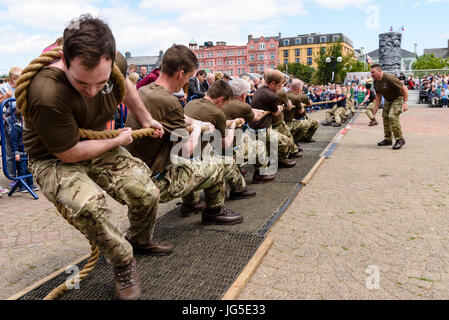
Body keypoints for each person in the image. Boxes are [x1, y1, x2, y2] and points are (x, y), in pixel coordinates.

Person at [22, 14, 170, 300]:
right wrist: (118, 139)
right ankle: (123, 261)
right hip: (53, 157)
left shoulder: (114, 64)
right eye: (81, 83)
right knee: (89, 206)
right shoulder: (46, 92)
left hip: (99, 143)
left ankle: (139, 239)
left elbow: (123, 83)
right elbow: (68, 153)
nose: (91, 91)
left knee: (146, 192)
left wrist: (146, 118)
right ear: (65, 61)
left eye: (98, 83)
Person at [125, 44, 246, 225]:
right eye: (189, 77)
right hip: (155, 179)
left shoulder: (145, 90)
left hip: (135, 171)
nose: (186, 83)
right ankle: (214, 211)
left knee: (194, 162)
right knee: (216, 165)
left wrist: (194, 122)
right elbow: (186, 150)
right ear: (180, 74)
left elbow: (176, 116)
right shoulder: (169, 101)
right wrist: (197, 129)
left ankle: (190, 205)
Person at [183, 80, 256, 200]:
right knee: (226, 162)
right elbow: (226, 144)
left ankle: (190, 204)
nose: (225, 107)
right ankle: (222, 204)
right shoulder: (217, 113)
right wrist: (232, 126)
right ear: (220, 100)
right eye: (225, 103)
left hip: (183, 156)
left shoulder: (191, 103)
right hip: (197, 161)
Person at [249, 69, 297, 170]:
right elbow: (276, 113)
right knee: (286, 142)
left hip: (255, 127)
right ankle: (281, 160)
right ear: (272, 83)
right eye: (279, 85)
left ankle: (273, 159)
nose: (280, 88)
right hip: (261, 130)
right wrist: (279, 108)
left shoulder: (261, 90)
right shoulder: (271, 95)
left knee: (274, 143)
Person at [370, 64, 408, 150]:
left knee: (392, 116)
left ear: (379, 71)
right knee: (385, 117)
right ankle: (388, 139)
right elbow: (378, 95)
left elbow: (404, 89)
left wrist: (405, 103)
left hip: (398, 98)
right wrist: (376, 106)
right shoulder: (376, 82)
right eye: (371, 72)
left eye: (373, 72)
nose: (371, 74)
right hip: (388, 100)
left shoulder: (389, 78)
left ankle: (400, 139)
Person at [0, 66, 23, 185]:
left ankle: (23, 174)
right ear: (13, 79)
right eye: (20, 78)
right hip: (7, 126)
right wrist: (5, 98)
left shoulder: (21, 88)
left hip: (20, 124)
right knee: (10, 153)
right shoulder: (3, 88)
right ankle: (13, 177)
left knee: (21, 149)